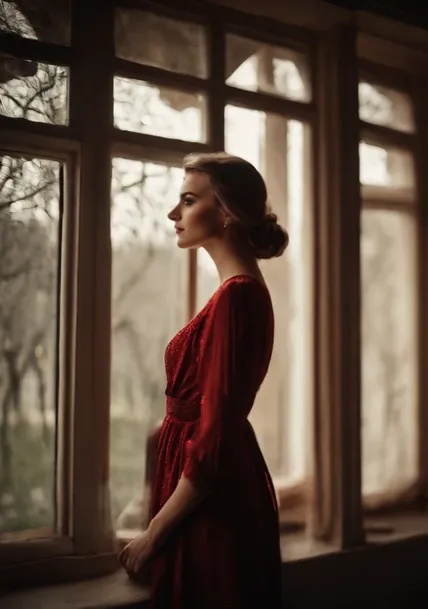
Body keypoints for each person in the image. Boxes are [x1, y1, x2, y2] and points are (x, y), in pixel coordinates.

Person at [118, 152, 288, 608]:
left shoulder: (236, 299)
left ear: (228, 212)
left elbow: (213, 442)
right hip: (199, 491)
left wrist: (152, 537)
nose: (174, 214)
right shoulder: (236, 294)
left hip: (211, 505)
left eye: (188, 201)